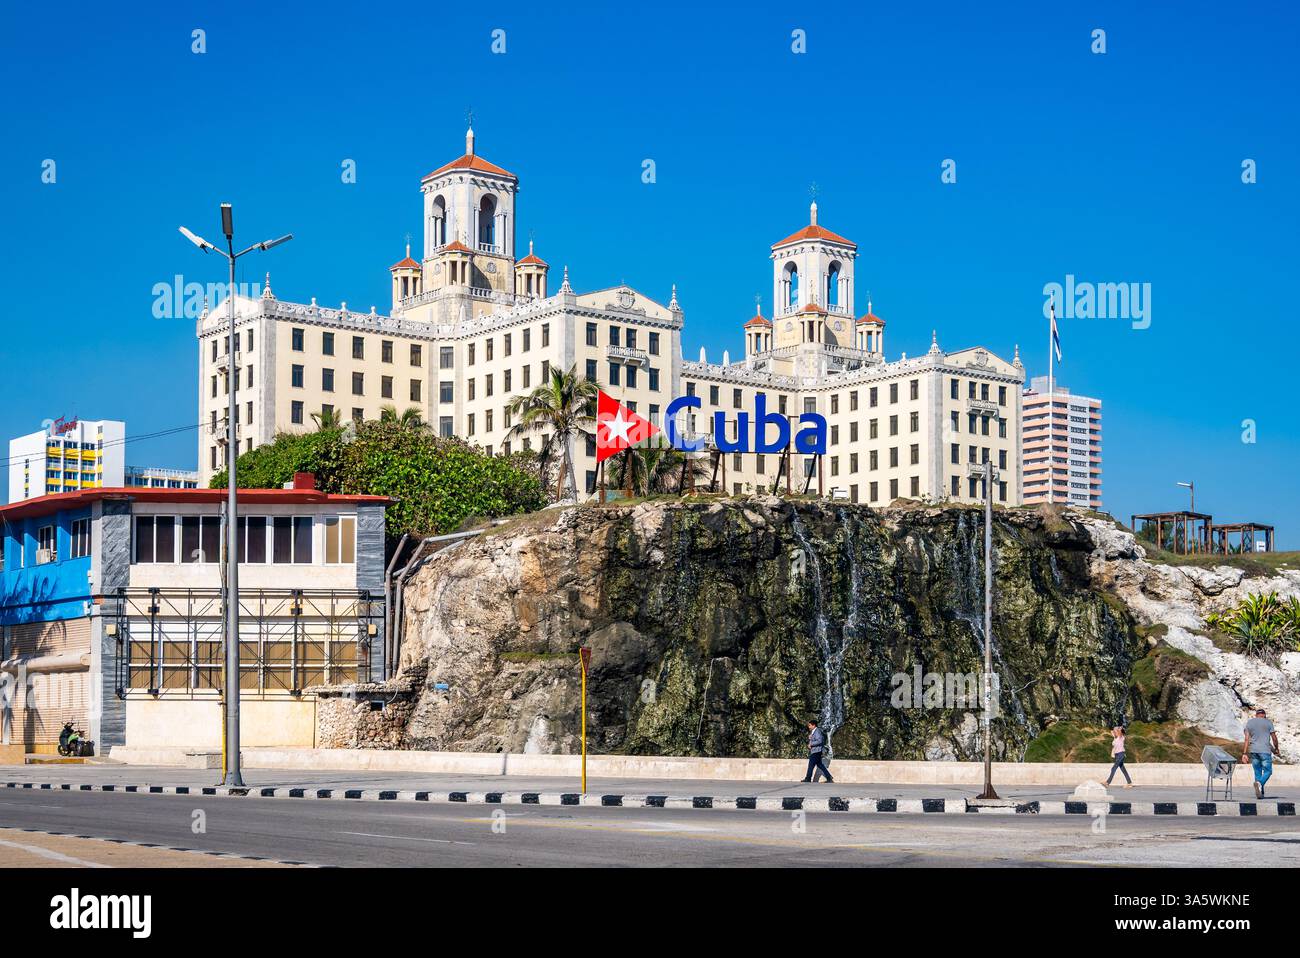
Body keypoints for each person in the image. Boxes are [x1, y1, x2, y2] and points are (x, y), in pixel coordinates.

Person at [1242, 707, 1279, 799]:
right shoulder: (1268, 723)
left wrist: (1244, 753)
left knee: (1257, 772)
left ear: (1256, 715)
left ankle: (1260, 794)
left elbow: (1246, 739)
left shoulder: (1250, 723)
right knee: (1268, 771)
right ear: (1264, 715)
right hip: (1265, 751)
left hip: (1253, 751)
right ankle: (1260, 783)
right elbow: (1274, 738)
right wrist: (1276, 748)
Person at [801, 719, 834, 784]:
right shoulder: (814, 732)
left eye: (810, 725)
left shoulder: (817, 731)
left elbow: (820, 741)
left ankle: (808, 778)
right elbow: (816, 740)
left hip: (816, 751)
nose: (809, 727)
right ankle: (829, 777)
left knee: (810, 765)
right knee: (820, 765)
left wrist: (811, 744)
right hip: (816, 751)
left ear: (814, 725)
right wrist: (810, 738)